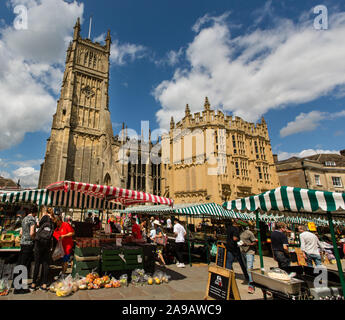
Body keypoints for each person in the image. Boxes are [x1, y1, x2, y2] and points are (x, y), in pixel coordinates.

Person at [14, 207, 38, 294]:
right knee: (24, 265)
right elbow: (32, 233)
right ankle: (19, 288)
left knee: (20, 263)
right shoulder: (32, 219)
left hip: (22, 243)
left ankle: (16, 283)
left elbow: (21, 232)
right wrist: (34, 237)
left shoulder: (24, 219)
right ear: (35, 213)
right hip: (28, 244)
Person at [30, 208, 55, 291]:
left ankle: (33, 284)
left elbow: (39, 227)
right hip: (47, 244)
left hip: (39, 243)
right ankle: (44, 284)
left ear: (45, 212)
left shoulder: (44, 217)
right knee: (46, 264)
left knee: (37, 263)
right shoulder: (52, 220)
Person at [240, 223, 257, 294]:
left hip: (250, 252)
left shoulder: (249, 233)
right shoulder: (240, 233)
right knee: (247, 268)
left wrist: (247, 244)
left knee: (249, 269)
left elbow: (255, 242)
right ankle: (250, 280)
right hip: (242, 251)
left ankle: (251, 286)